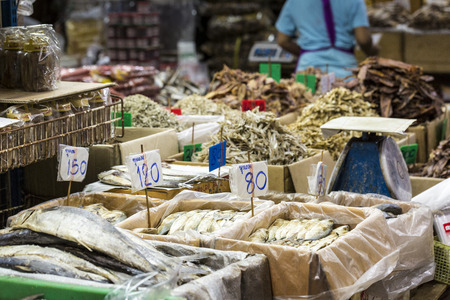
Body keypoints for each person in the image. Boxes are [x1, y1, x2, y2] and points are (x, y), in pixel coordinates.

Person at [276, 0, 379, 78]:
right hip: (345, 73)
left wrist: (309, 53)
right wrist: (374, 51)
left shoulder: (294, 2)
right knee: (345, 103)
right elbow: (363, 40)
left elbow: (282, 40)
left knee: (303, 103)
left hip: (307, 72)